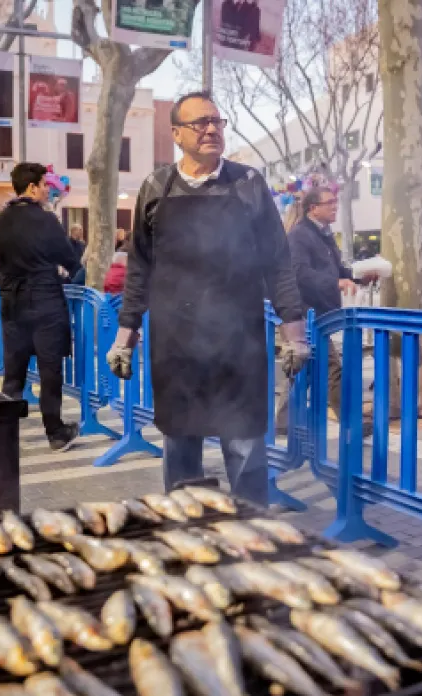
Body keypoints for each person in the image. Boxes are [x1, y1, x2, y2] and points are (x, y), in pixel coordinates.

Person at [106, 91, 309, 505]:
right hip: (176, 343)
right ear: (176, 133)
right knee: (180, 442)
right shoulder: (156, 187)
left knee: (245, 444)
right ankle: (187, 528)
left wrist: (295, 336)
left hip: (239, 341)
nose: (212, 129)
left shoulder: (248, 183)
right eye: (200, 123)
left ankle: (251, 527)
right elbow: (140, 268)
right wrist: (124, 337)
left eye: (217, 121)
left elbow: (278, 264)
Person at [0, 162, 82, 451]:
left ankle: (3, 437)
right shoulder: (47, 220)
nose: (47, 191)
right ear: (32, 187)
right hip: (45, 302)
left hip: (12, 303)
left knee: (13, 372)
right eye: (45, 185)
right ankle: (55, 432)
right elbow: (69, 259)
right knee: (50, 371)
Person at [282, 187, 363, 429]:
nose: (335, 206)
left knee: (305, 369)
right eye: (330, 203)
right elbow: (299, 273)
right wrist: (336, 283)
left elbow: (336, 270)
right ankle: (351, 424)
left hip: (319, 314)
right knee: (331, 369)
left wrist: (357, 277)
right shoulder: (299, 235)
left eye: (336, 202)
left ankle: (283, 419)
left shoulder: (324, 235)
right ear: (313, 208)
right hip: (306, 313)